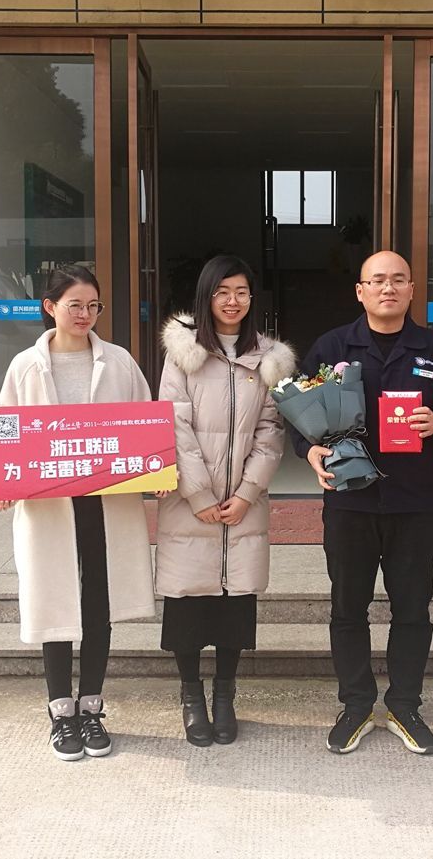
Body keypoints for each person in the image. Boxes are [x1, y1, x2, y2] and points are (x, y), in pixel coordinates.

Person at [294, 251, 433, 756]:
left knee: (412, 609)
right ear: (360, 291)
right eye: (377, 280)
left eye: (397, 280)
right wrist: (308, 449)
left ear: (412, 289)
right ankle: (355, 704)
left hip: (412, 502)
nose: (387, 288)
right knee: (347, 608)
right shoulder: (332, 348)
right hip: (349, 501)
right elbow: (299, 414)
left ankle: (404, 705)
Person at [0, 265, 156, 762]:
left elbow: (145, 422)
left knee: (98, 599)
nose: (84, 315)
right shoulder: (25, 366)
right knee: (55, 598)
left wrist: (155, 469)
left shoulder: (120, 362)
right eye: (74, 306)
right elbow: (8, 430)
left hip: (106, 501)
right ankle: (61, 711)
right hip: (49, 504)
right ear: (50, 307)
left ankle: (92, 707)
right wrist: (4, 480)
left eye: (92, 306)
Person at [155, 255, 295, 747]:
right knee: (188, 603)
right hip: (188, 501)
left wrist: (246, 493)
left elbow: (271, 430)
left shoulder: (269, 358)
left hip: (242, 505)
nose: (232, 301)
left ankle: (225, 694)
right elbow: (174, 424)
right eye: (222, 292)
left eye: (241, 291)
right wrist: (197, 494)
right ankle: (191, 694)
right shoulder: (184, 352)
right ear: (206, 296)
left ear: (253, 297)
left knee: (235, 604)